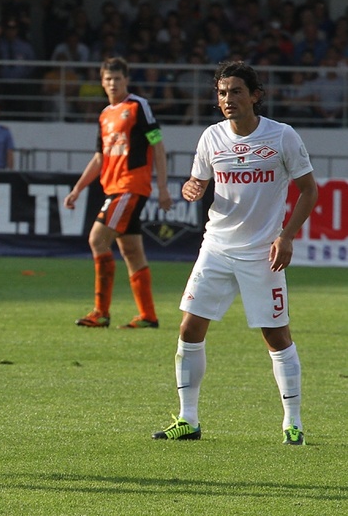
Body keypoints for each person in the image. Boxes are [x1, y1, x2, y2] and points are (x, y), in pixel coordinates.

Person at [151, 61, 318, 445]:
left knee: (276, 336)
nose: (228, 99)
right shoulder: (211, 137)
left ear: (255, 95)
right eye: (223, 93)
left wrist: (286, 237)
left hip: (262, 252)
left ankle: (293, 423)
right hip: (217, 247)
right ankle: (188, 419)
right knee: (189, 328)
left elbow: (309, 190)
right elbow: (198, 181)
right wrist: (192, 188)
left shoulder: (281, 136)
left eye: (236, 91)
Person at [63, 57, 172, 329]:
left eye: (118, 79)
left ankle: (101, 312)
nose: (113, 84)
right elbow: (100, 157)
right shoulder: (104, 115)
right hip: (113, 187)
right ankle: (148, 316)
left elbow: (157, 145)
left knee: (97, 239)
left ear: (126, 80)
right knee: (132, 251)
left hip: (130, 186)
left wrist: (162, 187)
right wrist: (78, 189)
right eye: (108, 79)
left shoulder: (138, 106)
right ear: (102, 82)